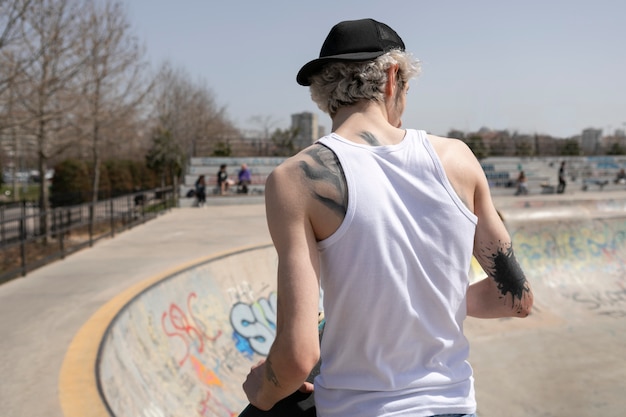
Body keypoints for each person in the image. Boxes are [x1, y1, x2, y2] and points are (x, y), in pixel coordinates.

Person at [243, 18, 533, 417]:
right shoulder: (458, 159)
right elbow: (515, 298)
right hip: (454, 407)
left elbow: (297, 356)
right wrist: (427, 299)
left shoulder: (296, 179)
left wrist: (261, 392)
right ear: (394, 78)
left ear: (321, 92)